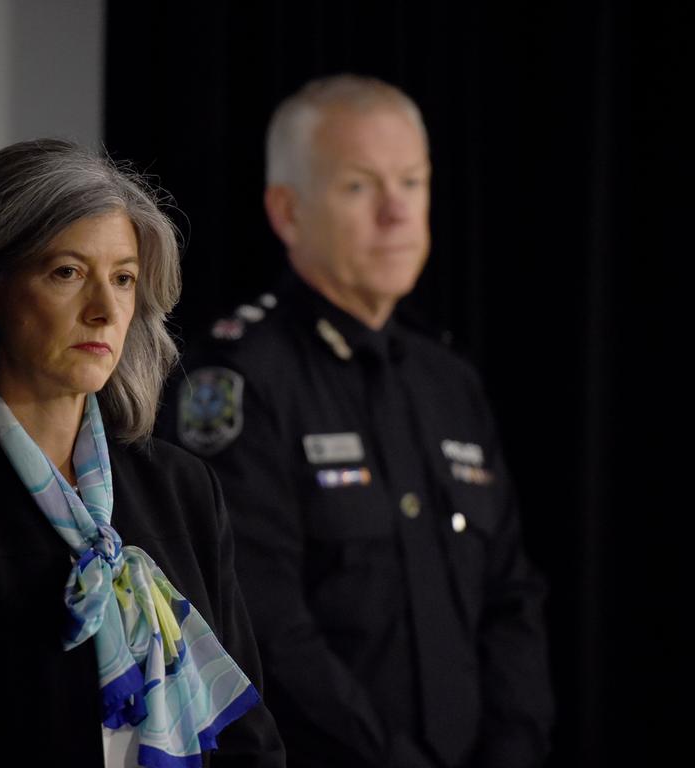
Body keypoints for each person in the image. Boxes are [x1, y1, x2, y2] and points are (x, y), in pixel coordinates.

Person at [0, 139, 285, 768]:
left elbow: (250, 739)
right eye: (67, 273)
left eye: (123, 278)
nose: (105, 310)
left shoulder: (186, 488)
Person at [164, 76, 555, 768]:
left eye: (412, 181)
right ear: (287, 212)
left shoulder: (450, 382)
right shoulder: (237, 381)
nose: (396, 212)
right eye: (359, 187)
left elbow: (511, 599)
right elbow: (262, 625)